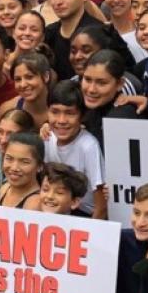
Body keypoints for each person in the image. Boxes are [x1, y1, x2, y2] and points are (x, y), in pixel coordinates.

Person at [44, 80, 103, 216]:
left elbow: (101, 206)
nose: (61, 120)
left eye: (70, 113)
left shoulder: (89, 146)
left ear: (82, 116)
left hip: (84, 214)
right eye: (55, 112)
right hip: (55, 209)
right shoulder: (47, 137)